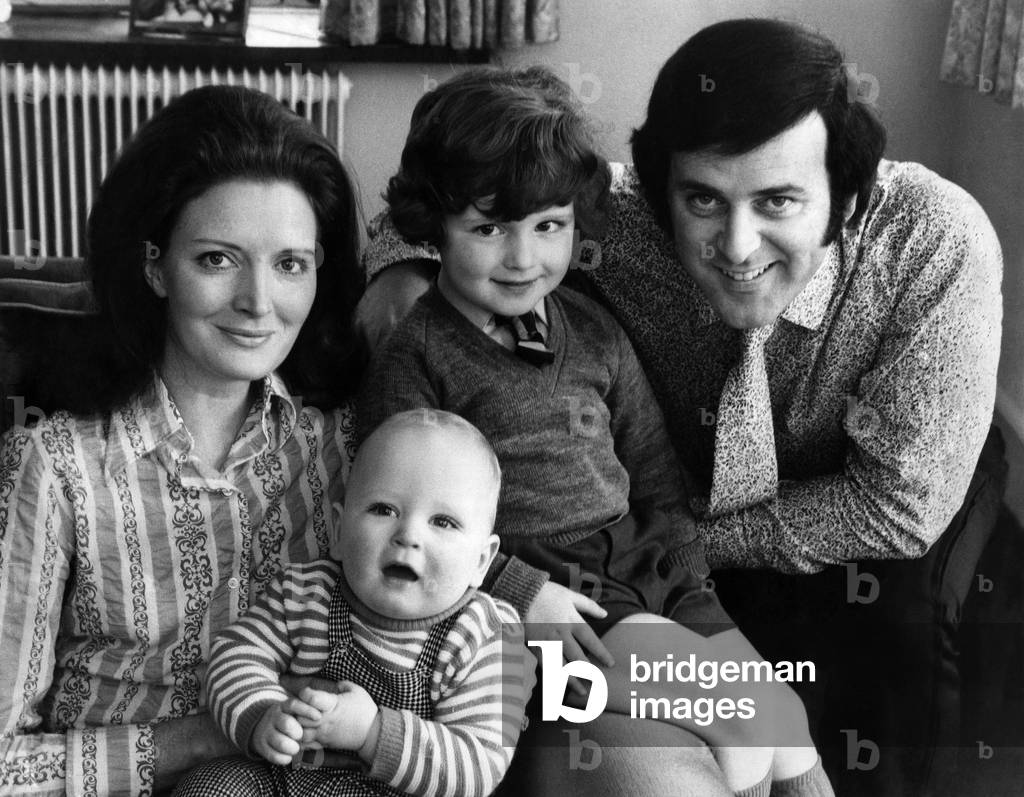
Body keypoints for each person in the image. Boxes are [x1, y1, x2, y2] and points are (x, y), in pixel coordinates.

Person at [357, 19, 1004, 797]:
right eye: (703, 199)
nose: (736, 245)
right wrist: (399, 268)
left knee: (805, 710)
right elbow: (458, 200)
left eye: (778, 200)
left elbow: (891, 503)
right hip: (555, 575)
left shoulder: (931, 239)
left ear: (845, 196)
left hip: (803, 523)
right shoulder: (594, 232)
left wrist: (681, 556)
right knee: (748, 728)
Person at [359, 65, 834, 797]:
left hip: (648, 570)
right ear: (433, 223)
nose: (524, 258)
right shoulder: (417, 355)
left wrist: (692, 588)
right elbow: (398, 520)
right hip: (545, 588)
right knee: (752, 724)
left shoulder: (592, 327)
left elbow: (650, 468)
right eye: (489, 228)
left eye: (549, 225)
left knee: (783, 724)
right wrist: (519, 591)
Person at [0, 85, 364, 795]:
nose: (260, 302)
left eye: (291, 264)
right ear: (153, 265)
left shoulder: (344, 439)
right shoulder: (55, 463)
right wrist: (200, 734)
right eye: (218, 260)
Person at [173, 409, 529, 797]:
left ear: (481, 560)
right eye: (383, 510)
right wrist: (262, 715)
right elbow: (234, 654)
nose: (408, 534)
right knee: (209, 786)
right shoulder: (306, 591)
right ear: (340, 531)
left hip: (394, 790)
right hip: (281, 777)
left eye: (443, 522)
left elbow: (480, 766)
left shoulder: (489, 635)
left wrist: (373, 732)